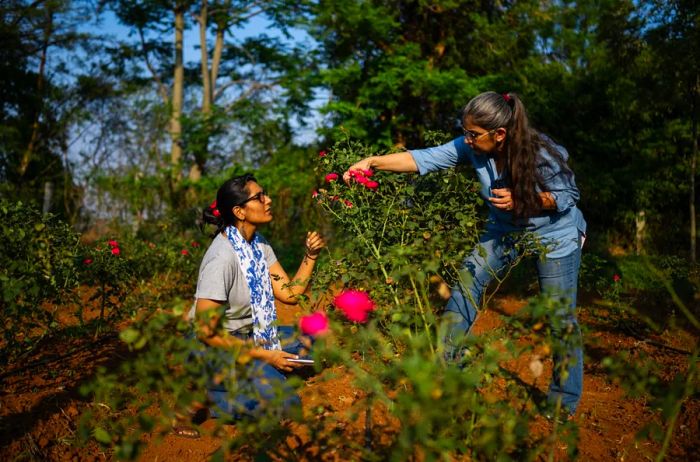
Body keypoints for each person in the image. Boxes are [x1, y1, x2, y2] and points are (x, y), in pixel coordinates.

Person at [344, 91, 586, 418]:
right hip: (503, 229)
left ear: (499, 134)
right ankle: (446, 374)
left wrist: (525, 199)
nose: (466, 139)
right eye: (464, 131)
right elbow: (423, 158)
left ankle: (562, 404)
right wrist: (373, 162)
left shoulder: (540, 151)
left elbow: (568, 194)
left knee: (559, 317)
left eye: (473, 134)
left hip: (554, 231)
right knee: (465, 286)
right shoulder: (471, 146)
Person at [186, 173, 325, 424]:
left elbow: (289, 294)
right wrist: (266, 356)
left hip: (254, 335)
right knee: (286, 405)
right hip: (215, 347)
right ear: (239, 211)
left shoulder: (258, 244)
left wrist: (310, 256)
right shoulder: (222, 258)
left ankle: (250, 378)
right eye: (259, 197)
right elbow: (206, 331)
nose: (268, 200)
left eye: (265, 193)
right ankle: (211, 398)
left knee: (314, 339)